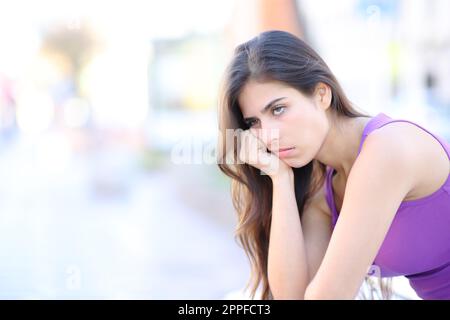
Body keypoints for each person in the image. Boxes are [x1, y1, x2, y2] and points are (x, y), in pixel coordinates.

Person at [217, 30, 450, 300]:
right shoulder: (324, 191)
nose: (267, 135)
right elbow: (292, 296)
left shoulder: (387, 149)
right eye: (253, 123)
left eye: (278, 109)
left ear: (322, 95)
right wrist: (279, 178)